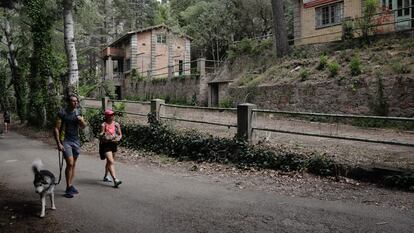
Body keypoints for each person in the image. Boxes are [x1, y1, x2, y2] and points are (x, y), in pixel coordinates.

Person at [54, 95, 87, 198]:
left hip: (76, 141)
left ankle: (71, 185)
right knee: (70, 163)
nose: (75, 103)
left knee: (73, 164)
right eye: (73, 101)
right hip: (65, 141)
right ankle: (68, 187)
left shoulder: (78, 112)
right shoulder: (62, 113)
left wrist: (81, 121)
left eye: (76, 101)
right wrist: (58, 143)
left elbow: (83, 127)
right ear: (68, 102)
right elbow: (56, 128)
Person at [99, 109, 122, 188]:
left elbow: (120, 134)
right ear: (106, 116)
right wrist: (102, 134)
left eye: (113, 115)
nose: (112, 116)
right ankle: (115, 180)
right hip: (106, 145)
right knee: (111, 161)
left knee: (109, 162)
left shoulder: (116, 124)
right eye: (110, 115)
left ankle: (105, 176)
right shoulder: (103, 125)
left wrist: (118, 138)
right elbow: (101, 135)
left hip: (114, 144)